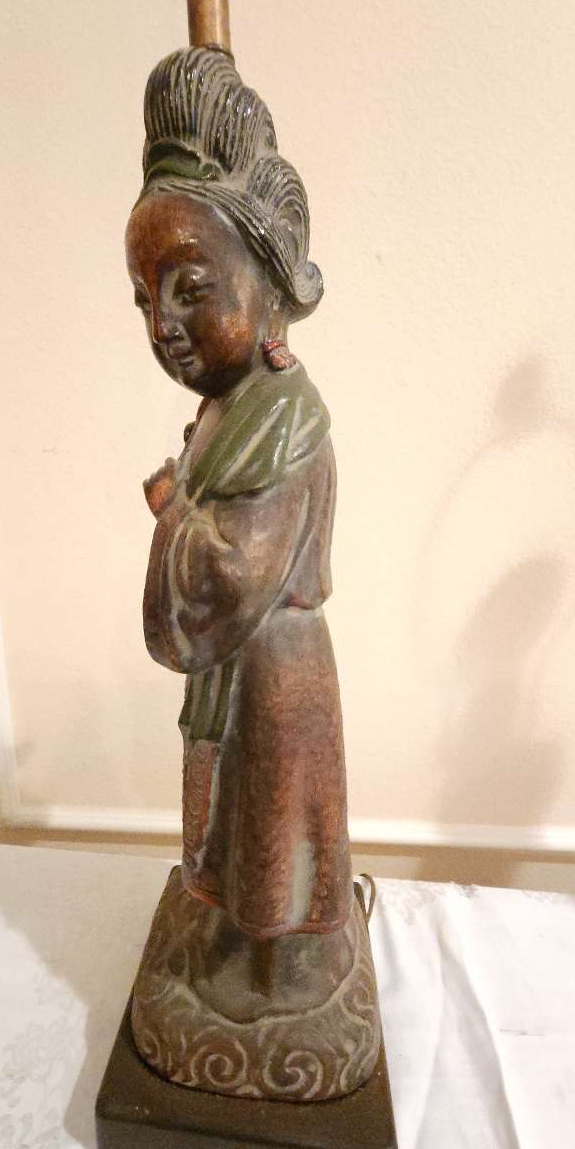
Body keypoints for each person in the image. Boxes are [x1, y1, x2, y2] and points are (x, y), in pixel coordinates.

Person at [126, 46, 353, 943]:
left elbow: (237, 570)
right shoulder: (233, 407)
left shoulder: (283, 416)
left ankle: (278, 974)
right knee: (240, 847)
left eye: (190, 289)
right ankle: (242, 953)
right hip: (242, 673)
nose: (164, 325)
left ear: (268, 286)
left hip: (272, 676)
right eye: (145, 300)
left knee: (274, 850)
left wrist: (173, 513)